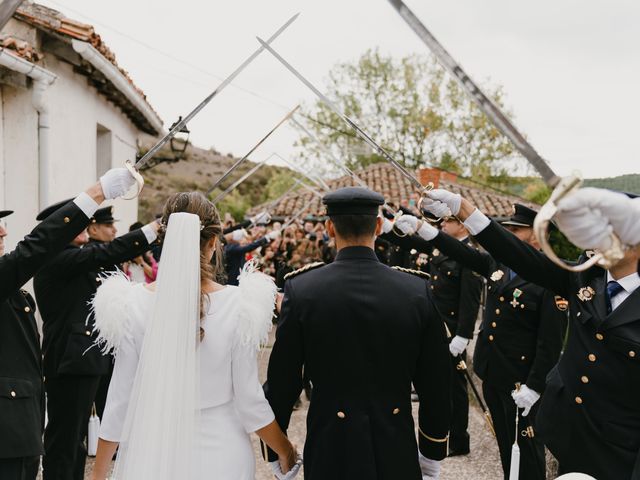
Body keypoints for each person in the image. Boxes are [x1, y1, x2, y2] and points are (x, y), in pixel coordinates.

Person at [420, 188, 640, 480]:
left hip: (621, 453)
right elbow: (517, 255)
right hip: (570, 436)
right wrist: (464, 209)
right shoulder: (584, 277)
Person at [89, 192, 299, 480]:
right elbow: (250, 401)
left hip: (152, 454)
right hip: (223, 456)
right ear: (214, 243)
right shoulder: (241, 304)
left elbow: (119, 400)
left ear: (164, 240)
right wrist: (286, 451)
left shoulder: (129, 303)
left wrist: (99, 474)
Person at [263, 187, 451, 480]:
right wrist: (432, 450)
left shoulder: (302, 290)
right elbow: (436, 382)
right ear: (378, 226)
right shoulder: (415, 290)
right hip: (395, 441)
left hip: (330, 446)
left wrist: (278, 451)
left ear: (328, 228)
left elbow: (282, 381)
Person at [393, 205, 566, 480]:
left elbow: (550, 342)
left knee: (528, 449)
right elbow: (461, 253)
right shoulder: (498, 264)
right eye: (506, 229)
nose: (506, 234)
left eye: (515, 230)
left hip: (522, 379)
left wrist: (535, 386)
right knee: (506, 446)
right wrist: (423, 230)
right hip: (494, 370)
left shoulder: (550, 277)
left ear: (538, 234)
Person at [0, 168, 138, 480]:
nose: (3, 232)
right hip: (10, 428)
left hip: (21, 426)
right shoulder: (37, 265)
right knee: (67, 443)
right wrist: (97, 192)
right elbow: (33, 249)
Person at [34, 202, 160, 480]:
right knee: (65, 440)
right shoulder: (57, 257)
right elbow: (106, 253)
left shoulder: (74, 257)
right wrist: (152, 229)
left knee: (76, 440)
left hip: (87, 358)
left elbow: (106, 260)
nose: (84, 226)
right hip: (70, 361)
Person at [382, 215, 483, 456]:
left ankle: (459, 439)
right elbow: (411, 243)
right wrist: (387, 227)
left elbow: (470, 298)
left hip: (451, 331)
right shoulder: (441, 245)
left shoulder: (469, 253)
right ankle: (443, 435)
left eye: (447, 221)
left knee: (455, 388)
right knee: (437, 384)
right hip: (434, 326)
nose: (442, 225)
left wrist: (463, 335)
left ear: (461, 225)